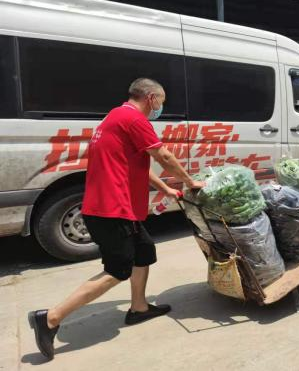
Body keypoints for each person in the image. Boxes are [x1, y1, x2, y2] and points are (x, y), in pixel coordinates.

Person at [28, 78, 204, 361]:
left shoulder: (115, 116)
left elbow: (136, 164)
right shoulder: (134, 119)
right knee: (117, 270)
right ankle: (49, 318)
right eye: (161, 101)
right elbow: (163, 155)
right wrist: (189, 181)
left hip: (113, 207)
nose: (160, 107)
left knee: (144, 251)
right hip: (112, 210)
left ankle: (139, 308)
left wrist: (166, 189)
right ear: (151, 98)